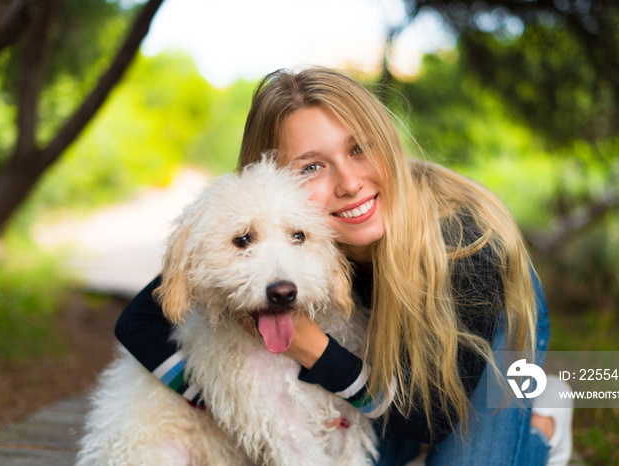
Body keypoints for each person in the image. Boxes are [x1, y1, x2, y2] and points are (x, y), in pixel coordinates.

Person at [115, 66, 571, 465]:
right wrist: (227, 405)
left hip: (483, 330)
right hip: (385, 362)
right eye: (311, 167)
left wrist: (312, 348)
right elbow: (138, 322)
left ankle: (544, 425)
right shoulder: (282, 238)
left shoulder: (464, 242)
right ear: (272, 180)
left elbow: (427, 417)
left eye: (359, 148)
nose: (350, 183)